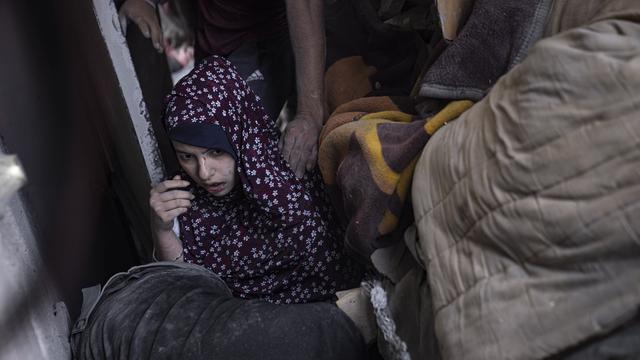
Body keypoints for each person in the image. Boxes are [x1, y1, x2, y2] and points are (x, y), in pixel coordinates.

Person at [149, 55, 363, 304]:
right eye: (187, 156)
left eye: (216, 151)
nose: (204, 173)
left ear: (240, 132)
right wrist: (161, 230)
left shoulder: (293, 175)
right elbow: (187, 291)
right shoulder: (183, 199)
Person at [118, 0, 324, 179]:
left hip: (261, 44)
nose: (204, 173)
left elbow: (306, 6)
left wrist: (309, 114)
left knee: (234, 152)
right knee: (204, 145)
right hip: (211, 40)